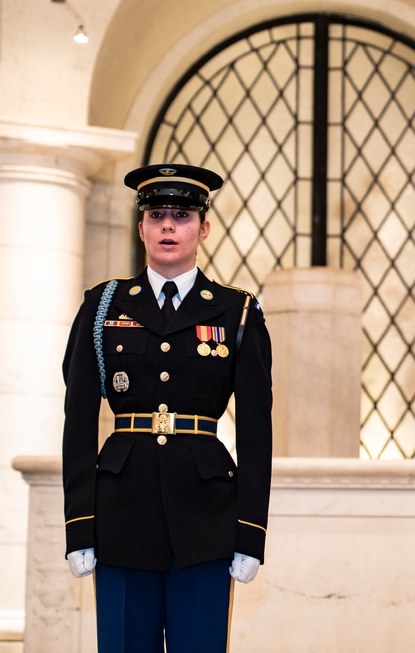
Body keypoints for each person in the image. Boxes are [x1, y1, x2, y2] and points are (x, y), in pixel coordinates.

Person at [61, 163, 273, 652]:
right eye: (157, 215)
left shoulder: (235, 310)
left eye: (181, 215)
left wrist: (250, 534)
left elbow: (258, 434)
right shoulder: (104, 306)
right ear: (141, 228)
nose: (168, 227)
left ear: (204, 228)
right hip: (120, 514)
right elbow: (77, 422)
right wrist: (79, 526)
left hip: (206, 520)